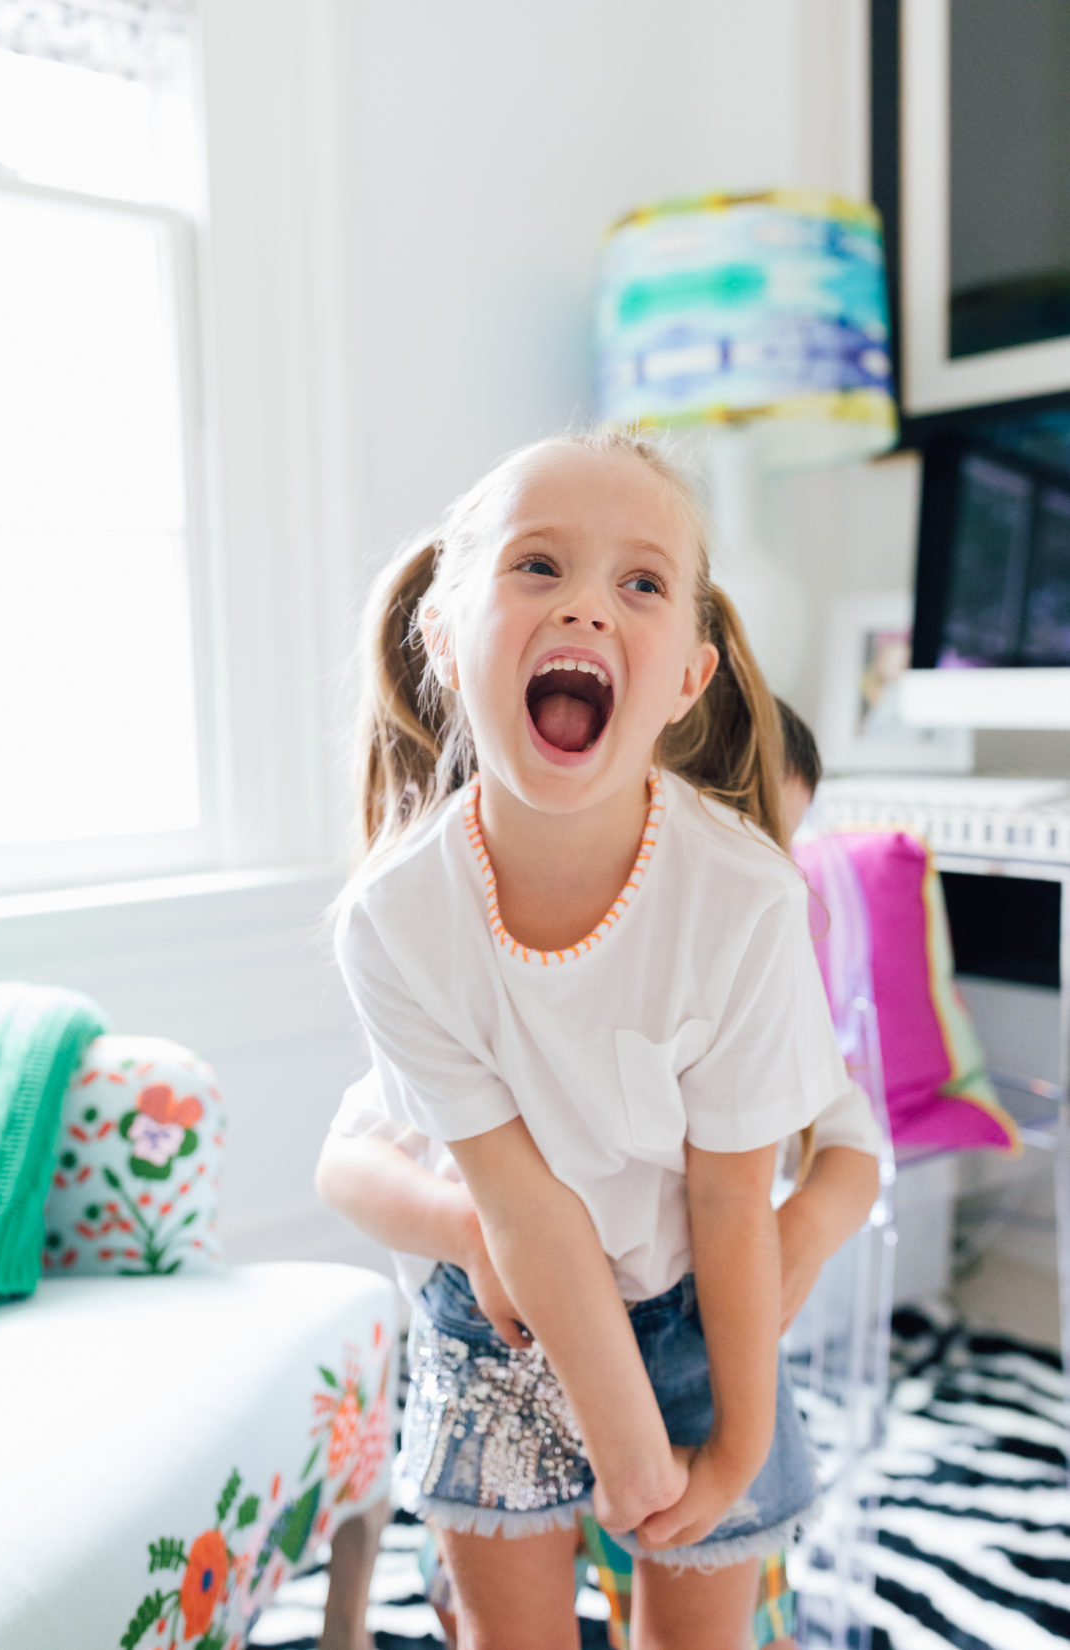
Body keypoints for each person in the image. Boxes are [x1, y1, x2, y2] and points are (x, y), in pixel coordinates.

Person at [328, 429, 880, 1650]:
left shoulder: (740, 901)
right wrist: (625, 1448)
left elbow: (737, 1204)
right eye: (536, 566)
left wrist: (733, 1440)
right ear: (440, 633)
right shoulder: (395, 920)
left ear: (686, 675)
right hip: (506, 1318)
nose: (585, 602)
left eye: (638, 582)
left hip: (694, 1306)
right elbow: (522, 1209)